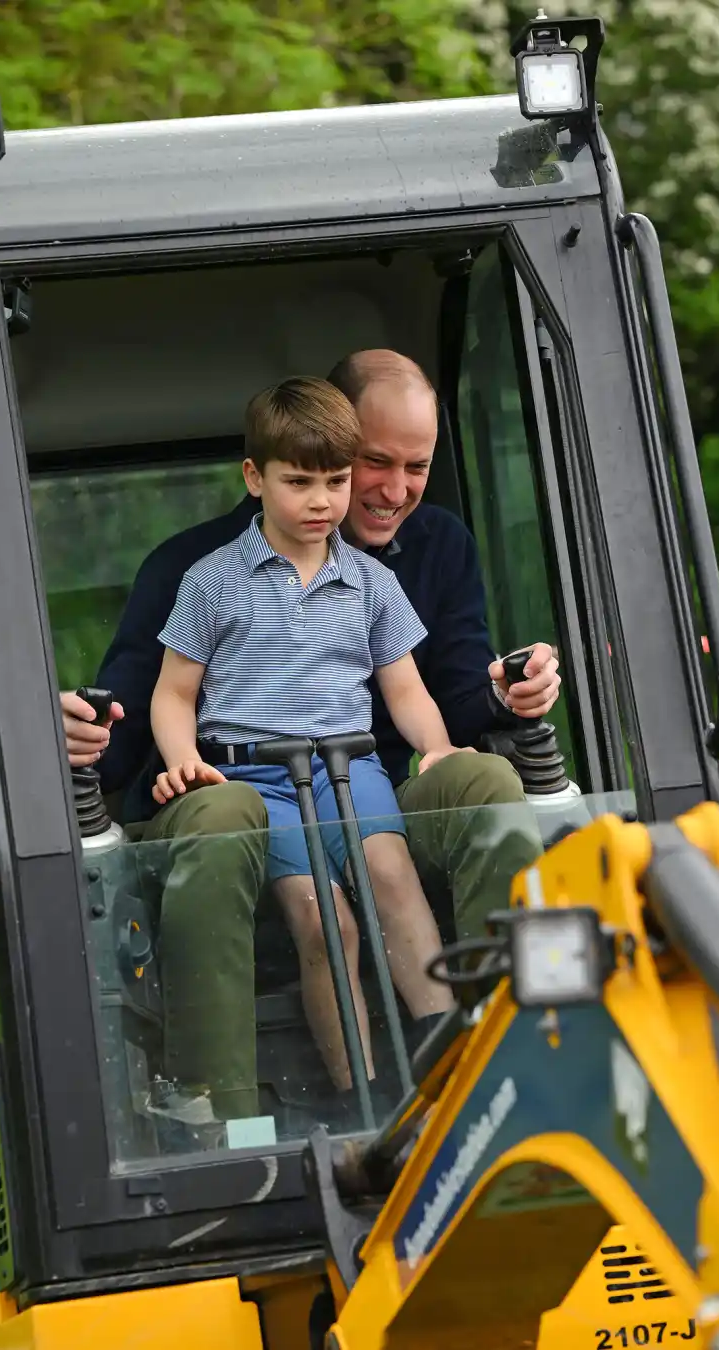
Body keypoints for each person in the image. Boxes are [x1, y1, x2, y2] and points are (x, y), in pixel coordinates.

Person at [62, 349, 560, 1126]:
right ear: (268, 471)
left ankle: (496, 1065)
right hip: (246, 786)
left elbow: (428, 692)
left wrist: (500, 699)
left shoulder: (415, 561)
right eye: (368, 465)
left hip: (364, 777)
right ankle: (241, 1114)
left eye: (416, 468)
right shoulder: (200, 574)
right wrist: (92, 738)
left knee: (480, 795)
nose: (389, 491)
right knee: (313, 908)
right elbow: (151, 704)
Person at [150, 376, 455, 1103]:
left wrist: (437, 748)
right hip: (257, 780)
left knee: (392, 881)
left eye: (337, 481)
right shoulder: (212, 582)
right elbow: (173, 693)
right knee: (324, 920)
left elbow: (404, 688)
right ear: (255, 478)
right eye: (300, 482)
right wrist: (183, 762)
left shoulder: (372, 581)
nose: (322, 501)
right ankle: (367, 1094)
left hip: (351, 767)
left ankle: (453, 1068)